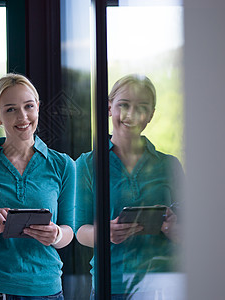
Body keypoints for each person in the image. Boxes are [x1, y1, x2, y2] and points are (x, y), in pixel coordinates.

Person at [0, 73, 75, 299]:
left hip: (43, 290)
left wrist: (56, 234)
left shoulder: (64, 165)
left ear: (37, 107)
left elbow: (69, 231)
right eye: (10, 109)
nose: (23, 116)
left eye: (28, 106)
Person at [75, 74, 184, 299]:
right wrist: (105, 233)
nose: (131, 115)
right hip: (111, 284)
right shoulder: (86, 164)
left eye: (141, 107)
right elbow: (79, 231)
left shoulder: (169, 165)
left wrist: (174, 229)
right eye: (123, 105)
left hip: (163, 283)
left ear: (151, 115)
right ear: (109, 108)